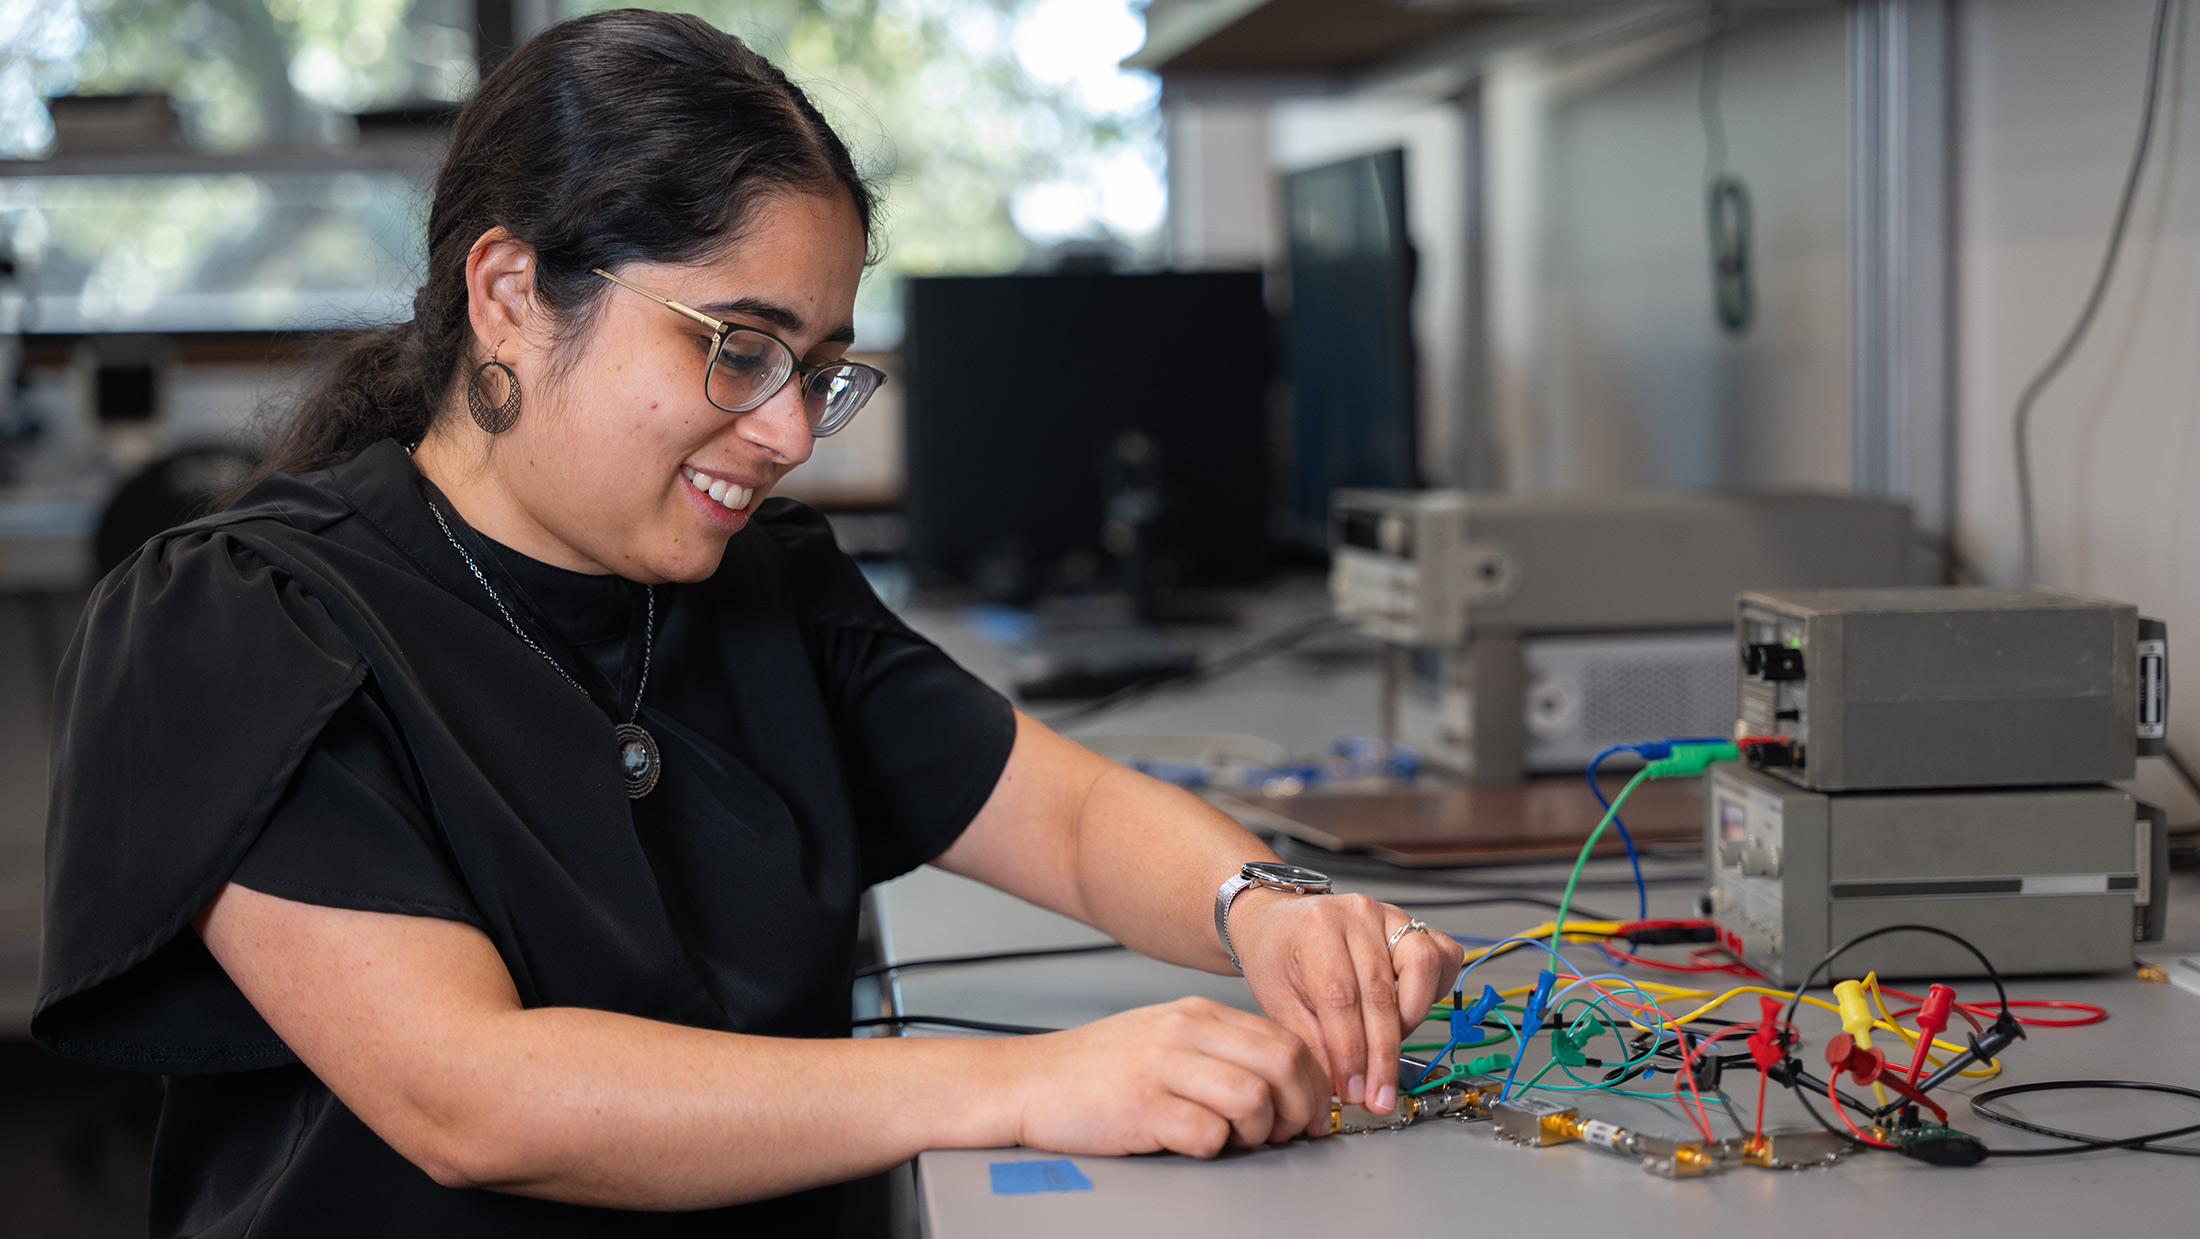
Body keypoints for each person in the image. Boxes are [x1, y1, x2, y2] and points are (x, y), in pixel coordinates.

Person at [35, 10, 1461, 1235]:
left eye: (822, 368)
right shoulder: (240, 619)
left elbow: (1071, 817)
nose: (789, 431)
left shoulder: (767, 585)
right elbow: (472, 1100)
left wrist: (1266, 908)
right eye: (737, 347)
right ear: (513, 296)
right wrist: (1026, 1081)